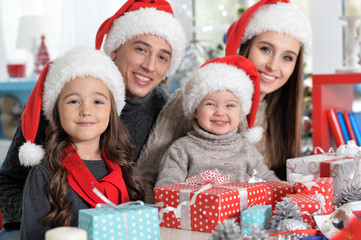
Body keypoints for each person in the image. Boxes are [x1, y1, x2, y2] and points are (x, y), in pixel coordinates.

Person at [0, 0, 185, 236]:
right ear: (115, 48)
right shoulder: (65, 93)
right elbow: (7, 181)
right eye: (141, 49)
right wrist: (42, 220)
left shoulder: (164, 108)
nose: (149, 65)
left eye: (162, 57)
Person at [137, 0, 312, 203]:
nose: (273, 66)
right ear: (245, 46)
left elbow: (268, 181)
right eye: (265, 49)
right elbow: (146, 178)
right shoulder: (194, 99)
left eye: (287, 58)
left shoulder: (281, 111)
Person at [19, 47, 144, 240]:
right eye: (74, 101)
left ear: (112, 111)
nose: (86, 110)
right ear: (56, 111)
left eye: (98, 102)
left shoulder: (128, 171)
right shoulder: (44, 176)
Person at [155, 55, 280, 187]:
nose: (220, 112)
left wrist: (287, 192)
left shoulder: (247, 150)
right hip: (195, 207)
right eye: (210, 104)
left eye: (230, 106)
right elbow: (167, 187)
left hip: (241, 207)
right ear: (196, 111)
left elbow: (268, 179)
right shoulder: (181, 150)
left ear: (241, 113)